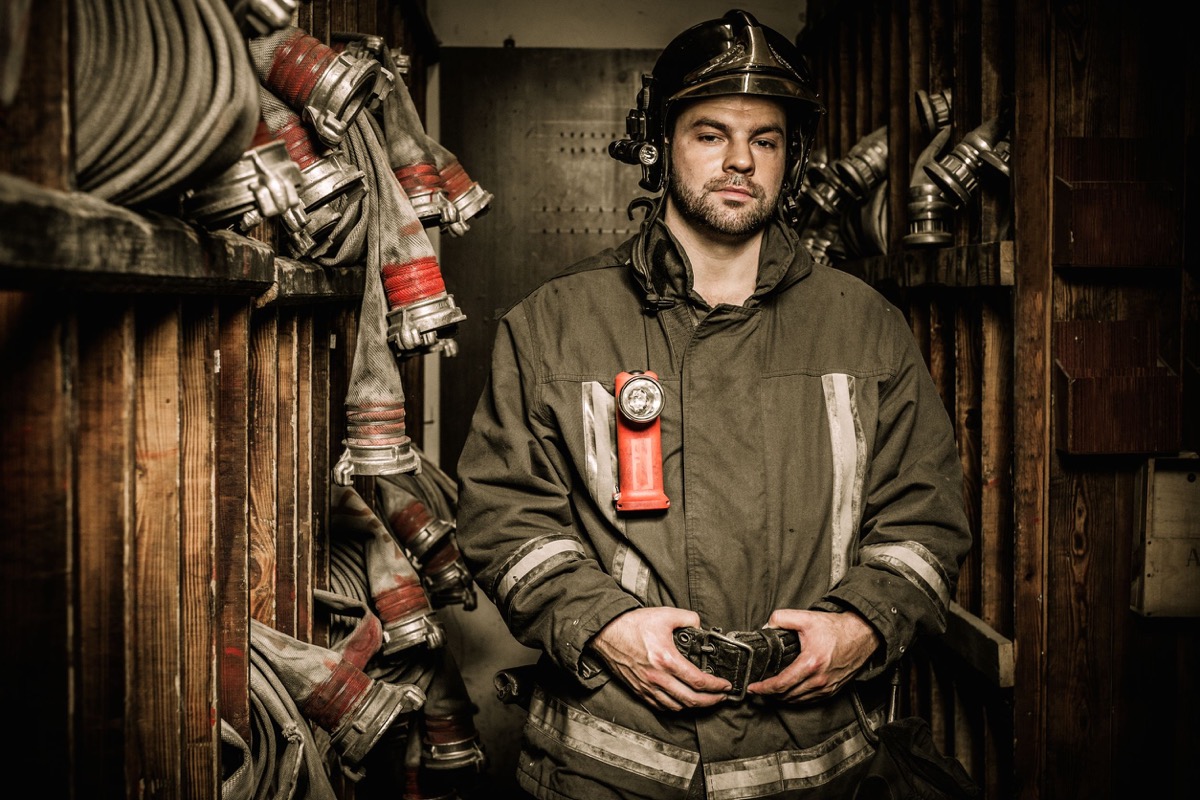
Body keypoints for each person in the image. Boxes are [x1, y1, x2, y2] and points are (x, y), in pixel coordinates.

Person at [454, 9, 972, 799]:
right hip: (609, 769)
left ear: (792, 158)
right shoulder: (552, 324)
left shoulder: (866, 327)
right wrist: (604, 625)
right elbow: (504, 519)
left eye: (766, 139)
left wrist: (863, 624)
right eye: (710, 134)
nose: (740, 160)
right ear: (661, 143)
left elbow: (924, 521)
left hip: (819, 767)